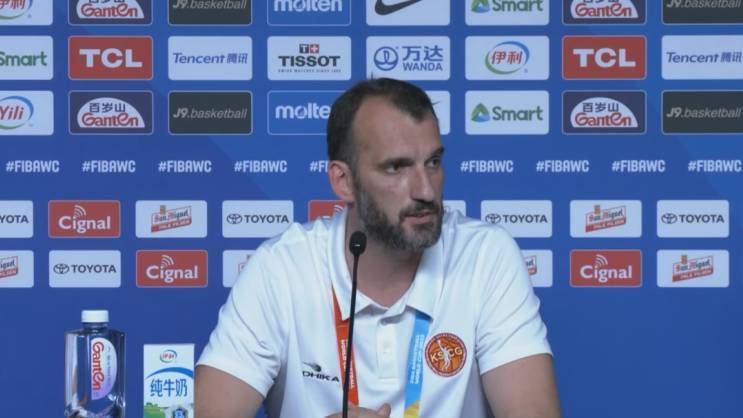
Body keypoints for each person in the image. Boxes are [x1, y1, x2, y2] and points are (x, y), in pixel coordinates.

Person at [195, 78, 560, 418]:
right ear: (344, 181)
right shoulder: (281, 269)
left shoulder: (484, 255)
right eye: (396, 168)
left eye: (433, 162)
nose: (426, 190)